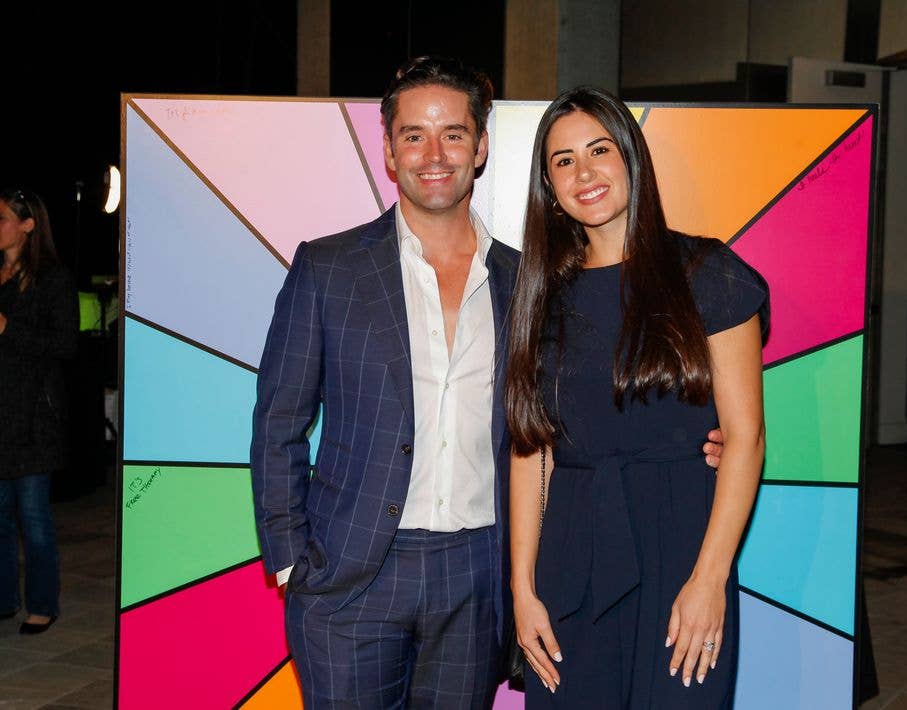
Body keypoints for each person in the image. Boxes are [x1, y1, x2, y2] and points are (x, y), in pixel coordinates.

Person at [252, 58, 727, 708]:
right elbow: (279, 420)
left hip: (478, 578)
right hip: (349, 580)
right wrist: (290, 558)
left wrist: (695, 435)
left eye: (453, 133)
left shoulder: (527, 283)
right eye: (414, 134)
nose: (434, 152)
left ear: (480, 147)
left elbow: (568, 413)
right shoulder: (328, 268)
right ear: (389, 150)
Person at [506, 87, 768, 708]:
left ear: (631, 156)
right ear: (548, 185)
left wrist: (710, 579)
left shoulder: (709, 274)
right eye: (562, 160)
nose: (584, 172)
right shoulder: (539, 294)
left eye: (599, 149)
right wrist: (522, 589)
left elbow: (746, 439)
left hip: (683, 545)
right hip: (570, 552)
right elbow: (530, 450)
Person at [0, 188, 78, 635]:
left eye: (5, 218)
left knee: (33, 518)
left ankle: (42, 604)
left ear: (27, 225)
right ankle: (5, 597)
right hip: (1, 414)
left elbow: (66, 345)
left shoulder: (53, 278)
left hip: (33, 419)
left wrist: (10, 328)